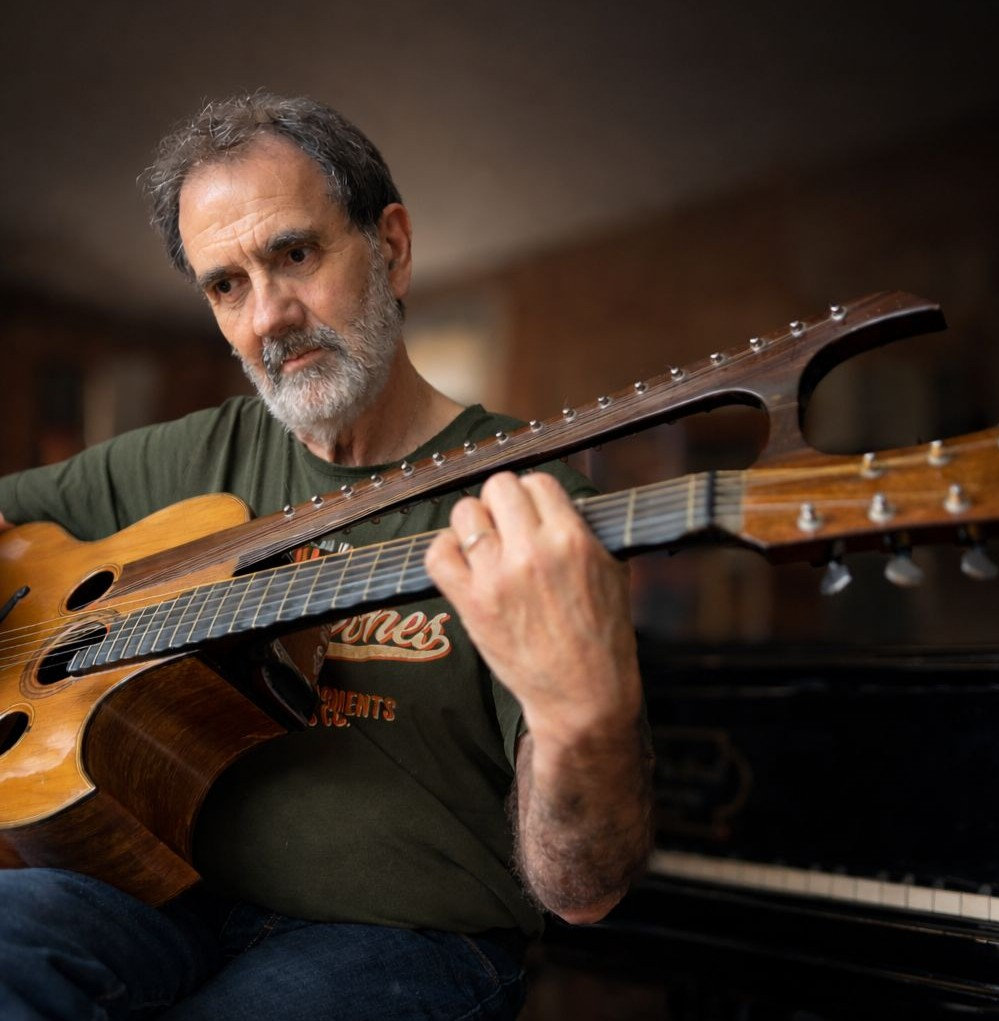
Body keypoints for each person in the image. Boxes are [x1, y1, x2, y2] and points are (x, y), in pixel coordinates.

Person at [0, 93, 652, 1020]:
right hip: (156, 892)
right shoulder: (189, 456)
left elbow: (581, 891)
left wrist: (581, 721)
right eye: (226, 285)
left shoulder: (533, 506)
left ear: (391, 246)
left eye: (295, 255)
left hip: (398, 938)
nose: (268, 316)